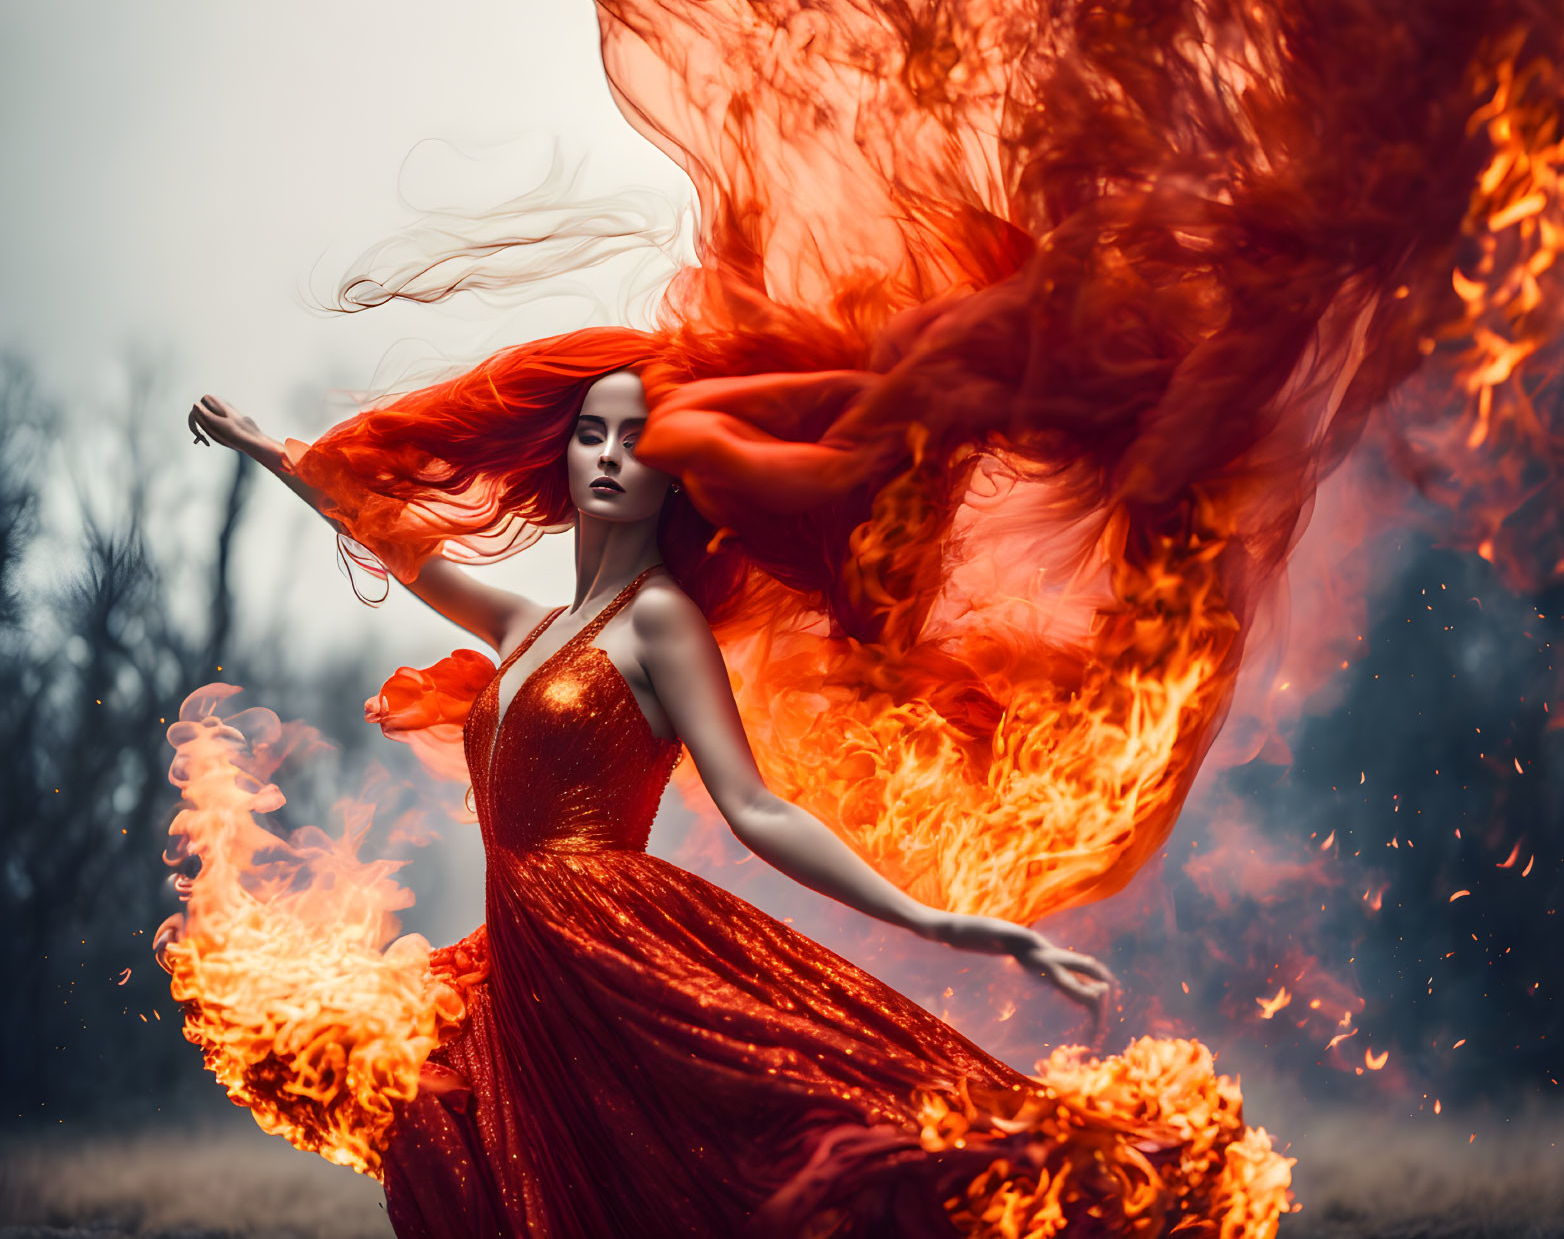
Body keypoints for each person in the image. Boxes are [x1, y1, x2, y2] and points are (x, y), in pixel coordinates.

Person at [180, 357, 1286, 1237]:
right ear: (561, 460)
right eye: (590, 435)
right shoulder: (526, 629)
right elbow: (390, 533)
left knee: (758, 1152)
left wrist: (945, 922)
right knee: (493, 1162)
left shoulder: (660, 625)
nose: (610, 457)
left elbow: (754, 808)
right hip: (524, 956)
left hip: (613, 946)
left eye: (635, 439)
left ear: (671, 475)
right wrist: (263, 447)